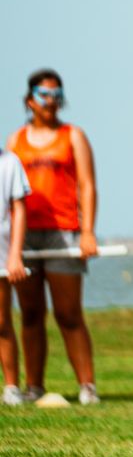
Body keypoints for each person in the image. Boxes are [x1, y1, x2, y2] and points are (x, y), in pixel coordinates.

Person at [7, 69, 101, 405]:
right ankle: (34, 386)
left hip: (64, 234)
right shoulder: (15, 141)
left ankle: (87, 386)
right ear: (30, 99)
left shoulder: (73, 136)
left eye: (57, 94)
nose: (52, 101)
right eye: (45, 94)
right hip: (25, 237)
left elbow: (87, 184)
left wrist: (87, 231)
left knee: (68, 312)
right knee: (30, 314)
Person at [0, 143, 29, 406]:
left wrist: (15, 254)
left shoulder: (9, 162)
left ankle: (11, 387)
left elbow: (19, 209)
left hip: (2, 251)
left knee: (1, 321)